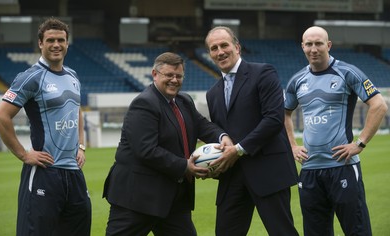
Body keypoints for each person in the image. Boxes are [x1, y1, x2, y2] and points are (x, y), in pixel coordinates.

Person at [102, 52, 232, 236]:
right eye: (169, 75)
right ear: (155, 74)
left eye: (179, 76)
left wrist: (222, 137)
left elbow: (202, 125)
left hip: (173, 198)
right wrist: (184, 166)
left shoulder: (184, 100)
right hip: (138, 198)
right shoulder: (144, 103)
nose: (174, 80)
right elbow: (146, 150)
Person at [284, 26, 388, 236]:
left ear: (328, 45)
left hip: (342, 167)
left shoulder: (348, 72)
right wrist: (293, 146)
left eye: (319, 43)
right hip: (310, 170)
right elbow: (284, 114)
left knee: (357, 231)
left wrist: (360, 143)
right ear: (302, 46)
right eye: (309, 44)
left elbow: (379, 105)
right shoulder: (296, 81)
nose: (314, 49)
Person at [0, 17, 91, 235]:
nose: (56, 44)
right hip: (45, 172)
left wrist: (81, 146)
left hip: (74, 173)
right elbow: (0, 118)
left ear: (67, 43)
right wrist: (24, 155)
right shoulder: (30, 78)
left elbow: (77, 110)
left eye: (61, 40)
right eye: (50, 40)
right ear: (40, 43)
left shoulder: (73, 75)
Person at [204, 26, 299, 236]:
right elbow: (222, 130)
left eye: (224, 45)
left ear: (237, 47)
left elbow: (274, 119)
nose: (220, 51)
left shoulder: (263, 72)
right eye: (214, 48)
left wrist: (238, 149)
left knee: (282, 232)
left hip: (268, 170)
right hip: (232, 175)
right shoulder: (212, 94)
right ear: (210, 54)